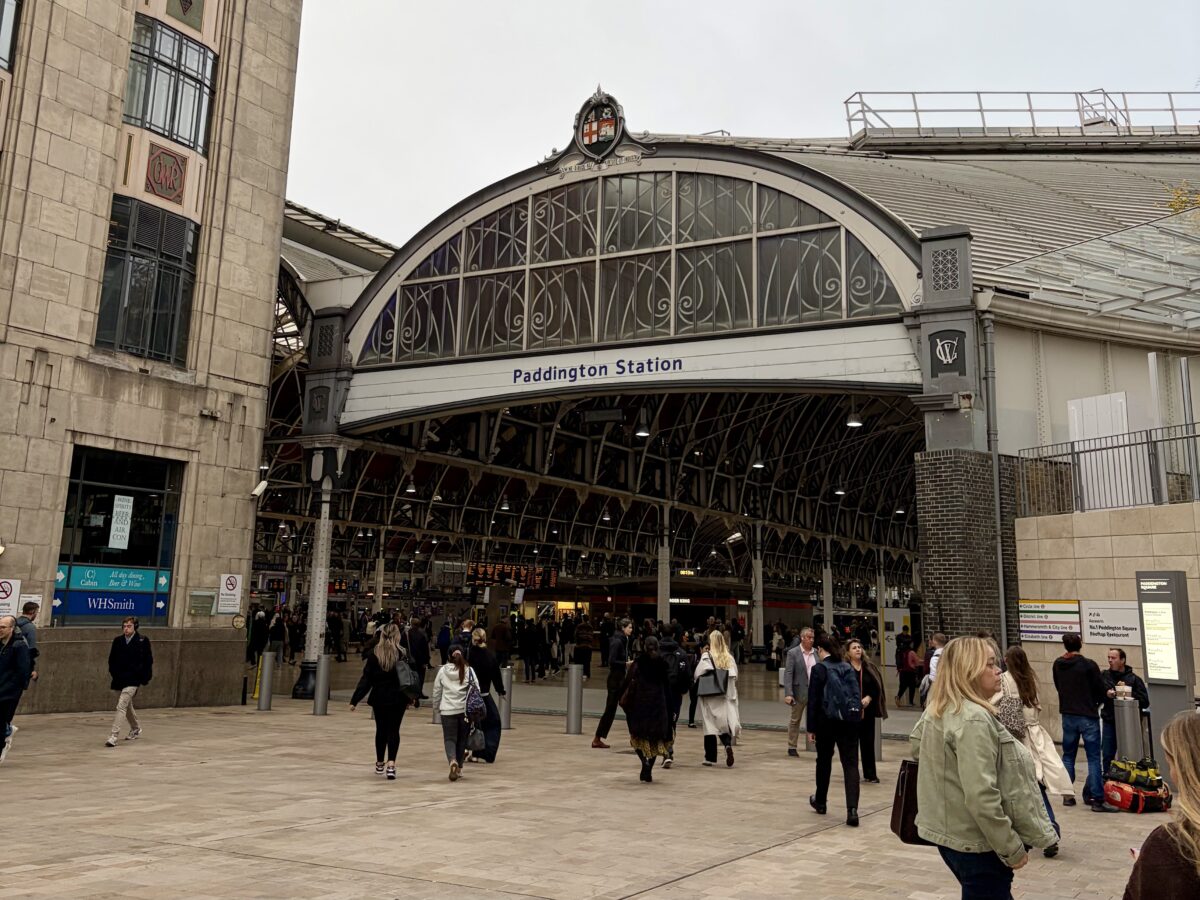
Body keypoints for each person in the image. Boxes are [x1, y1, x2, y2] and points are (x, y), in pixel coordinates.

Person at [911, 636, 1057, 899]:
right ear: (969, 671)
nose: (998, 670)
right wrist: (1010, 847)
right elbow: (982, 795)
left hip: (953, 836)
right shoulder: (973, 719)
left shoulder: (941, 708)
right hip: (978, 844)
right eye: (989, 664)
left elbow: (916, 746)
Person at [994, 644, 1072, 858]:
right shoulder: (1029, 680)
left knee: (1026, 789)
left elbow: (994, 705)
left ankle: (1047, 832)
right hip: (1037, 736)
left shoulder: (1004, 680)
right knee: (1035, 787)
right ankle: (1044, 831)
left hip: (1017, 739)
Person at [1122, 711, 1200, 900]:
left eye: (1170, 764)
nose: (1170, 774)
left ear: (1185, 770)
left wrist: (1154, 867)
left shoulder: (1171, 843)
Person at [1052, 632, 1113, 811]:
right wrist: (1096, 702)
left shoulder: (1058, 664)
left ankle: (1068, 795)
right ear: (1080, 644)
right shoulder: (1088, 665)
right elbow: (1100, 688)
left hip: (1068, 714)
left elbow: (1058, 686)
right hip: (1087, 714)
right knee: (1094, 758)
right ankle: (1097, 799)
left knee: (1068, 756)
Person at [806, 635, 861, 825]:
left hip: (826, 722)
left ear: (821, 650)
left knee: (824, 760)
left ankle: (821, 801)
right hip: (849, 721)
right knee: (851, 764)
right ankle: (852, 810)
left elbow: (813, 700)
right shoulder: (847, 667)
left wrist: (811, 727)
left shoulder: (819, 669)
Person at [348, 623, 412, 779]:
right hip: (398, 698)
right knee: (394, 730)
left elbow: (366, 679)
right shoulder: (403, 654)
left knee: (381, 730)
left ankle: (379, 762)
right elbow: (410, 677)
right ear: (397, 636)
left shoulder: (374, 654)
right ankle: (391, 764)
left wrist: (355, 699)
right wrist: (413, 697)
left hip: (380, 697)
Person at [621, 635, 672, 782]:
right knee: (656, 739)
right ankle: (649, 765)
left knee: (637, 737)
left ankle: (644, 761)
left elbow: (628, 682)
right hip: (658, 705)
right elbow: (668, 687)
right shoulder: (662, 664)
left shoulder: (638, 663)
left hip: (640, 705)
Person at [106, 616, 153, 748]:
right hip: (119, 679)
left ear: (135, 627)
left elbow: (148, 661)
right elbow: (112, 660)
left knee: (121, 705)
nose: (126, 629)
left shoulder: (142, 641)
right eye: (125, 626)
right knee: (127, 706)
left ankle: (114, 735)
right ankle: (135, 727)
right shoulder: (118, 641)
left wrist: (144, 677)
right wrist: (114, 673)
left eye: (129, 626)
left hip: (133, 679)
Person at [1101, 647, 1150, 774]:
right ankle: (1107, 780)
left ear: (1122, 660)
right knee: (1107, 754)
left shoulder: (1134, 679)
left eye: (1113, 658)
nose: (1110, 661)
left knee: (1129, 755)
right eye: (1109, 658)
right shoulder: (1104, 676)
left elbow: (1145, 701)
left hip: (1128, 723)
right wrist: (1106, 694)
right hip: (1110, 720)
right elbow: (1096, 694)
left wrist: (1127, 693)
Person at [431, 647, 477, 782]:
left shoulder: (443, 671)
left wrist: (436, 707)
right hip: (464, 711)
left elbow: (437, 690)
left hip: (447, 710)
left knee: (450, 739)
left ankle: (452, 761)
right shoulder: (469, 670)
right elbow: (477, 689)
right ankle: (460, 767)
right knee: (462, 739)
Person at [695, 629, 739, 767]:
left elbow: (697, 674)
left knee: (709, 726)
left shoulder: (707, 656)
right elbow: (735, 676)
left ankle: (710, 757)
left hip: (710, 695)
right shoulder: (729, 657)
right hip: (725, 695)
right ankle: (727, 745)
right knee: (722, 725)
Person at [846, 637, 887, 783]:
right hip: (850, 712)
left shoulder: (869, 667)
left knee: (868, 743)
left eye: (859, 647)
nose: (858, 649)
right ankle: (851, 774)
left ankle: (870, 774)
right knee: (851, 745)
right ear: (848, 652)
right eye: (854, 648)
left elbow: (877, 687)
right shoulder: (844, 668)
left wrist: (869, 697)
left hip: (867, 712)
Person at [592, 618, 633, 749]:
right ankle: (597, 738)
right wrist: (626, 664)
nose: (631, 630)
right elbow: (612, 661)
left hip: (620, 679)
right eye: (629, 627)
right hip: (615, 680)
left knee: (627, 707)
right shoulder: (617, 641)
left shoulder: (623, 640)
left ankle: (635, 736)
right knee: (612, 709)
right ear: (623, 628)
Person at [467, 627, 505, 764]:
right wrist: (500, 690)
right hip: (484, 694)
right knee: (492, 723)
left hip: (468, 695)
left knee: (473, 724)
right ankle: (485, 752)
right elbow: (496, 675)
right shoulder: (490, 655)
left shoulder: (469, 654)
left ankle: (467, 750)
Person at [0, 616, 32, 764]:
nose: (0, 630)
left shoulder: (19, 646)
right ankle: (8, 730)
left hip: (8, 693)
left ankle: (4, 739)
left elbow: (22, 671)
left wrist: (10, 688)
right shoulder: (1, 645)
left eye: (3, 627)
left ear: (11, 628)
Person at [657, 629, 691, 767]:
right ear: (673, 635)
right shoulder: (681, 653)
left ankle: (662, 750)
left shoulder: (656, 652)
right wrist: (684, 690)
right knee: (672, 721)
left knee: (659, 720)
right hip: (675, 693)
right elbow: (687, 675)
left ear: (660, 634)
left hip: (658, 693)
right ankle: (669, 749)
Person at [783, 627, 817, 757]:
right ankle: (792, 746)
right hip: (798, 692)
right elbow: (788, 673)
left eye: (813, 638)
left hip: (814, 692)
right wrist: (788, 693)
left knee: (816, 719)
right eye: (809, 637)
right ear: (802, 638)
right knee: (795, 720)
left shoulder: (816, 653)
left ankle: (815, 743)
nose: (811, 640)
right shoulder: (793, 653)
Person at [15, 602, 38, 687]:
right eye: (36, 612)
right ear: (32, 612)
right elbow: (31, 650)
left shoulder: (13, 623)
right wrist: (31, 670)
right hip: (21, 667)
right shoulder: (30, 627)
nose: (36, 615)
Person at [573, 615, 593, 679]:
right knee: (587, 661)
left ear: (582, 619)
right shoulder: (590, 627)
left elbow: (576, 635)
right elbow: (591, 637)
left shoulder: (579, 626)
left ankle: (580, 673)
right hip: (588, 646)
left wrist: (577, 643)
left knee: (580, 661)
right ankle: (587, 673)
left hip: (580, 646)